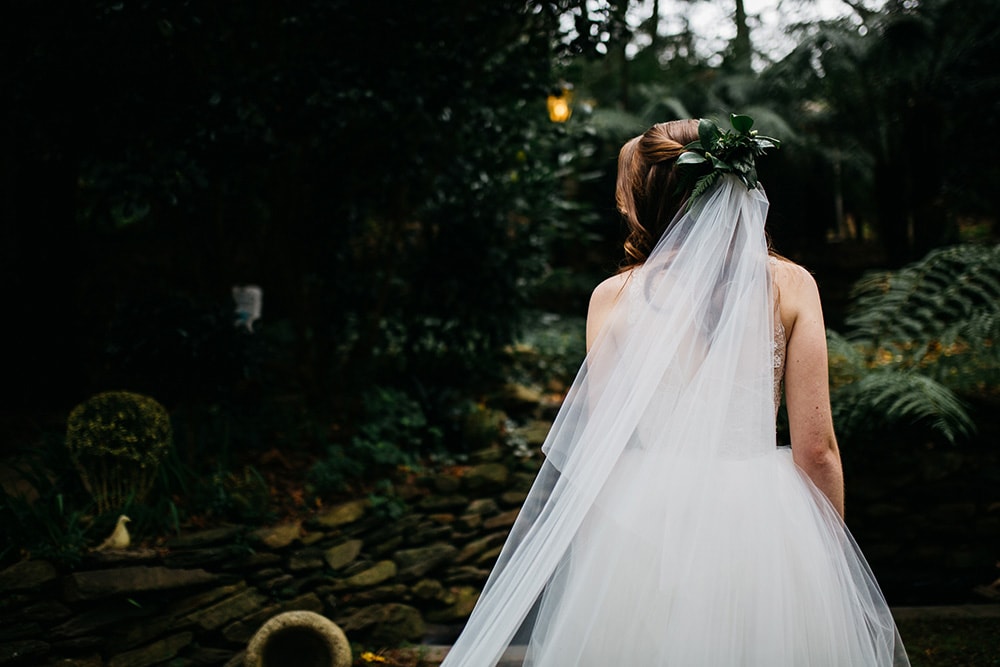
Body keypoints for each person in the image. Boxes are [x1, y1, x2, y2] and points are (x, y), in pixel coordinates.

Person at [440, 117, 910, 666]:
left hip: (643, 525)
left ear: (645, 200)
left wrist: (596, 568)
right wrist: (828, 560)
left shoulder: (612, 298)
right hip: (762, 524)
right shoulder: (790, 284)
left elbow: (603, 451)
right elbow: (818, 449)